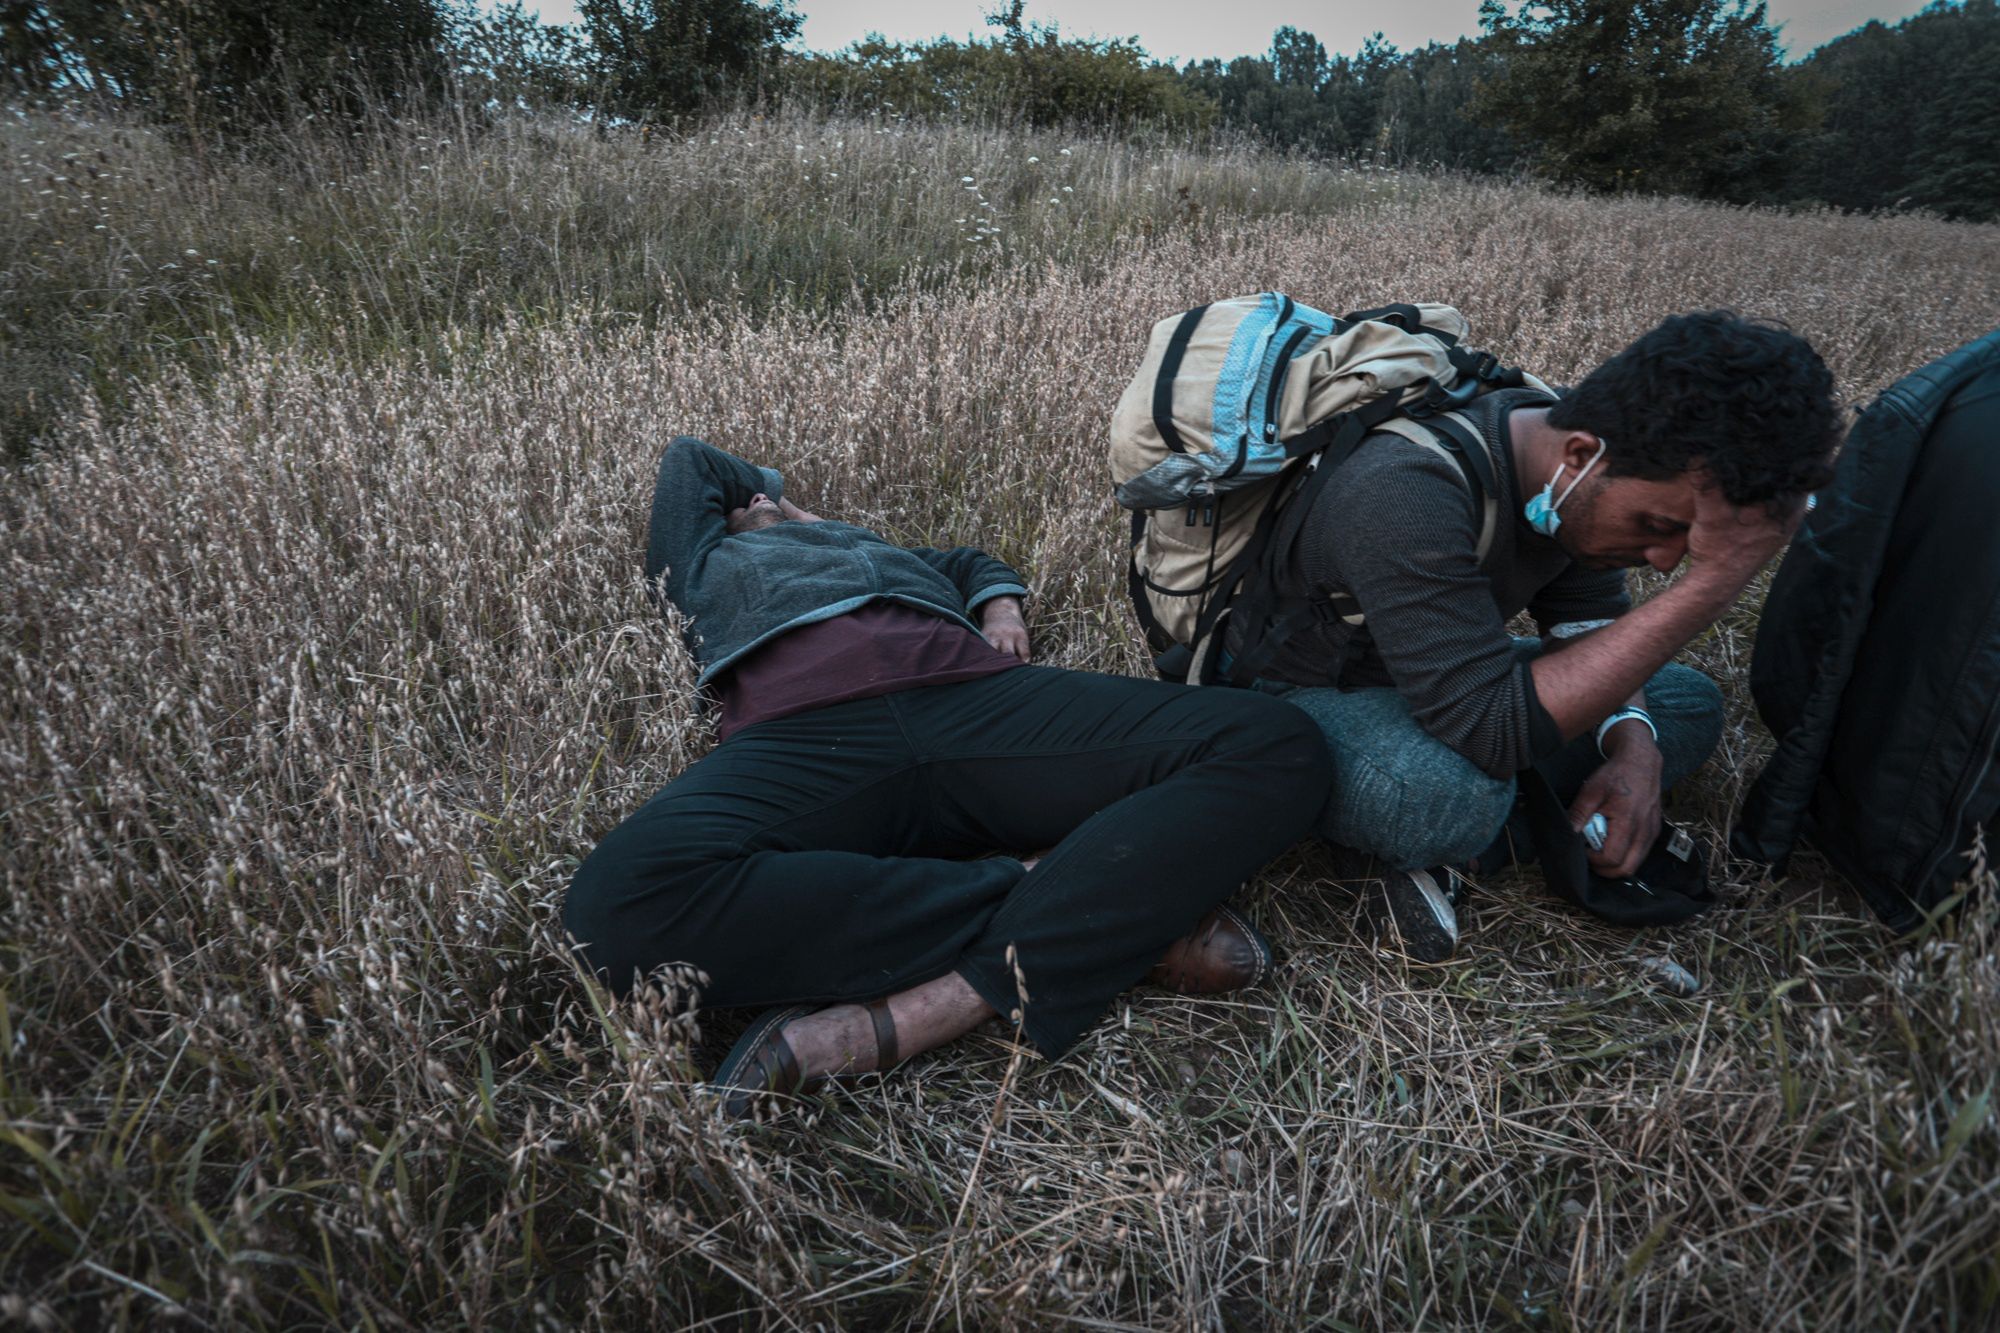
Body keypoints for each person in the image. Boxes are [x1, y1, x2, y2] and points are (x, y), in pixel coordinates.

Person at [565, 437, 1332, 1116]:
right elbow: (691, 462)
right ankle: (1078, 890)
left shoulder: (876, 548)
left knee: (1276, 742)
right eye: (745, 500)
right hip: (804, 735)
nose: (753, 499)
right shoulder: (702, 565)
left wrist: (999, 606)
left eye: (764, 497)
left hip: (980, 705)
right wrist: (781, 507)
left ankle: (937, 1006)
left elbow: (970, 562)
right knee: (613, 910)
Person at [1231, 310, 1841, 959]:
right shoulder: (1405, 489)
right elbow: (1492, 726)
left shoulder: (1561, 463)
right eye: (1657, 525)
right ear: (1580, 454)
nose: (1664, 560)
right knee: (1452, 794)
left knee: (1685, 704)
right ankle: (1431, 843)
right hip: (1297, 694)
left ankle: (1446, 851)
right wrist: (1715, 581)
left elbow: (1586, 622)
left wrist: (1633, 753)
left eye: (1685, 545)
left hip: (1446, 679)